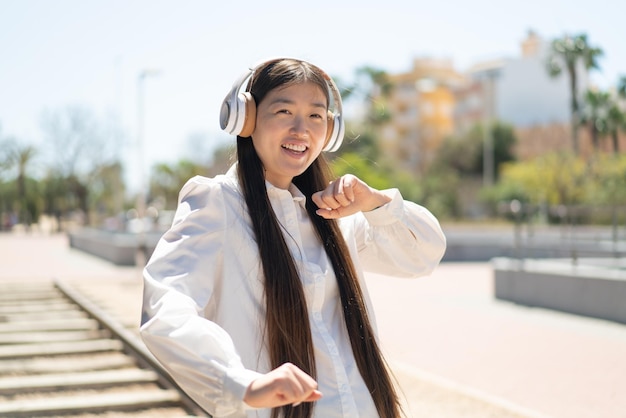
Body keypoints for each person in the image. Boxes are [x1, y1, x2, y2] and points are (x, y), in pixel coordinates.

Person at [140, 58, 446, 418]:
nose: (301, 130)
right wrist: (241, 382)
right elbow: (165, 309)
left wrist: (376, 204)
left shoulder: (335, 217)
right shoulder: (218, 204)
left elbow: (422, 257)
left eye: (316, 116)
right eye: (284, 111)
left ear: (330, 130)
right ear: (247, 118)